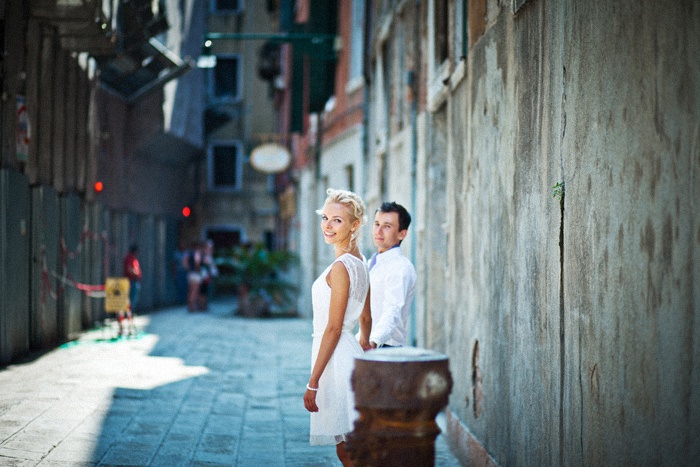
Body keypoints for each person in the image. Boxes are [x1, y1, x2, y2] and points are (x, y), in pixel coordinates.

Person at [304, 188, 372, 467]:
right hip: (348, 353)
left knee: (348, 450)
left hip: (337, 359)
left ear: (354, 226)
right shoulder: (361, 263)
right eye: (325, 218)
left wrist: (313, 382)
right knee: (349, 447)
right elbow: (365, 319)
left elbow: (333, 328)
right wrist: (364, 345)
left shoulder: (342, 267)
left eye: (337, 220)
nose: (328, 226)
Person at [366, 201, 417, 348]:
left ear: (402, 234)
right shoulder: (373, 262)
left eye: (387, 226)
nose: (378, 231)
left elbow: (392, 310)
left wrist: (373, 341)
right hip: (367, 343)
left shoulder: (400, 267)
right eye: (377, 224)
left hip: (385, 348)